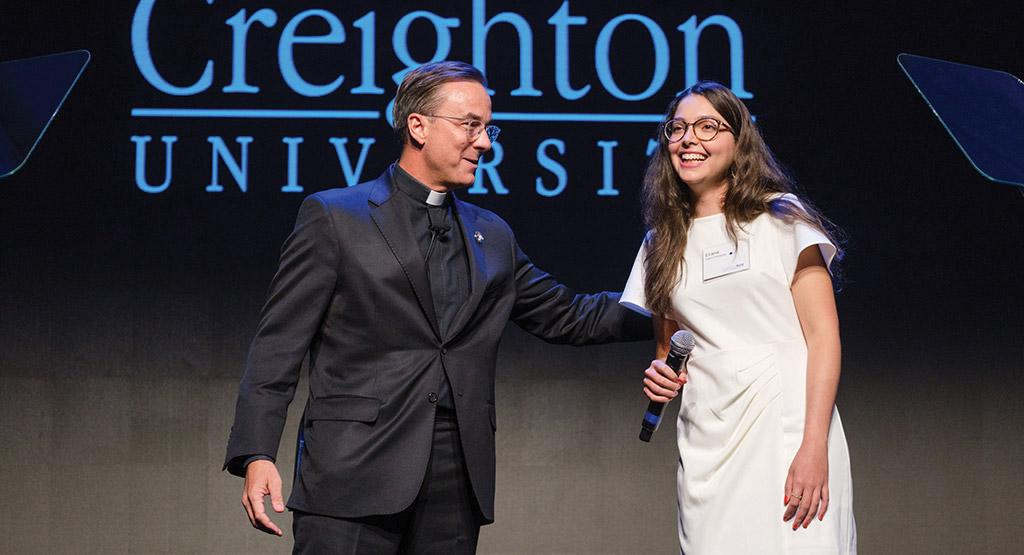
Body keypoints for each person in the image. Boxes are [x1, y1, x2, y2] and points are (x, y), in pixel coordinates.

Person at [223, 61, 649, 554]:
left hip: (453, 484)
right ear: (418, 126)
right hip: (350, 473)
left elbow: (570, 315)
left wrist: (677, 307)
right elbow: (278, 345)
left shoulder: (492, 235)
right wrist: (256, 453)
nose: (485, 142)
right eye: (471, 125)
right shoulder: (336, 217)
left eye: (489, 127)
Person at [620, 81, 857, 554]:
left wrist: (815, 446)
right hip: (709, 436)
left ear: (739, 139)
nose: (689, 139)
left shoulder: (782, 219)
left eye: (708, 126)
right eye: (679, 128)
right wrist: (661, 377)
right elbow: (671, 350)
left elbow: (824, 336)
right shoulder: (660, 243)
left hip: (786, 426)